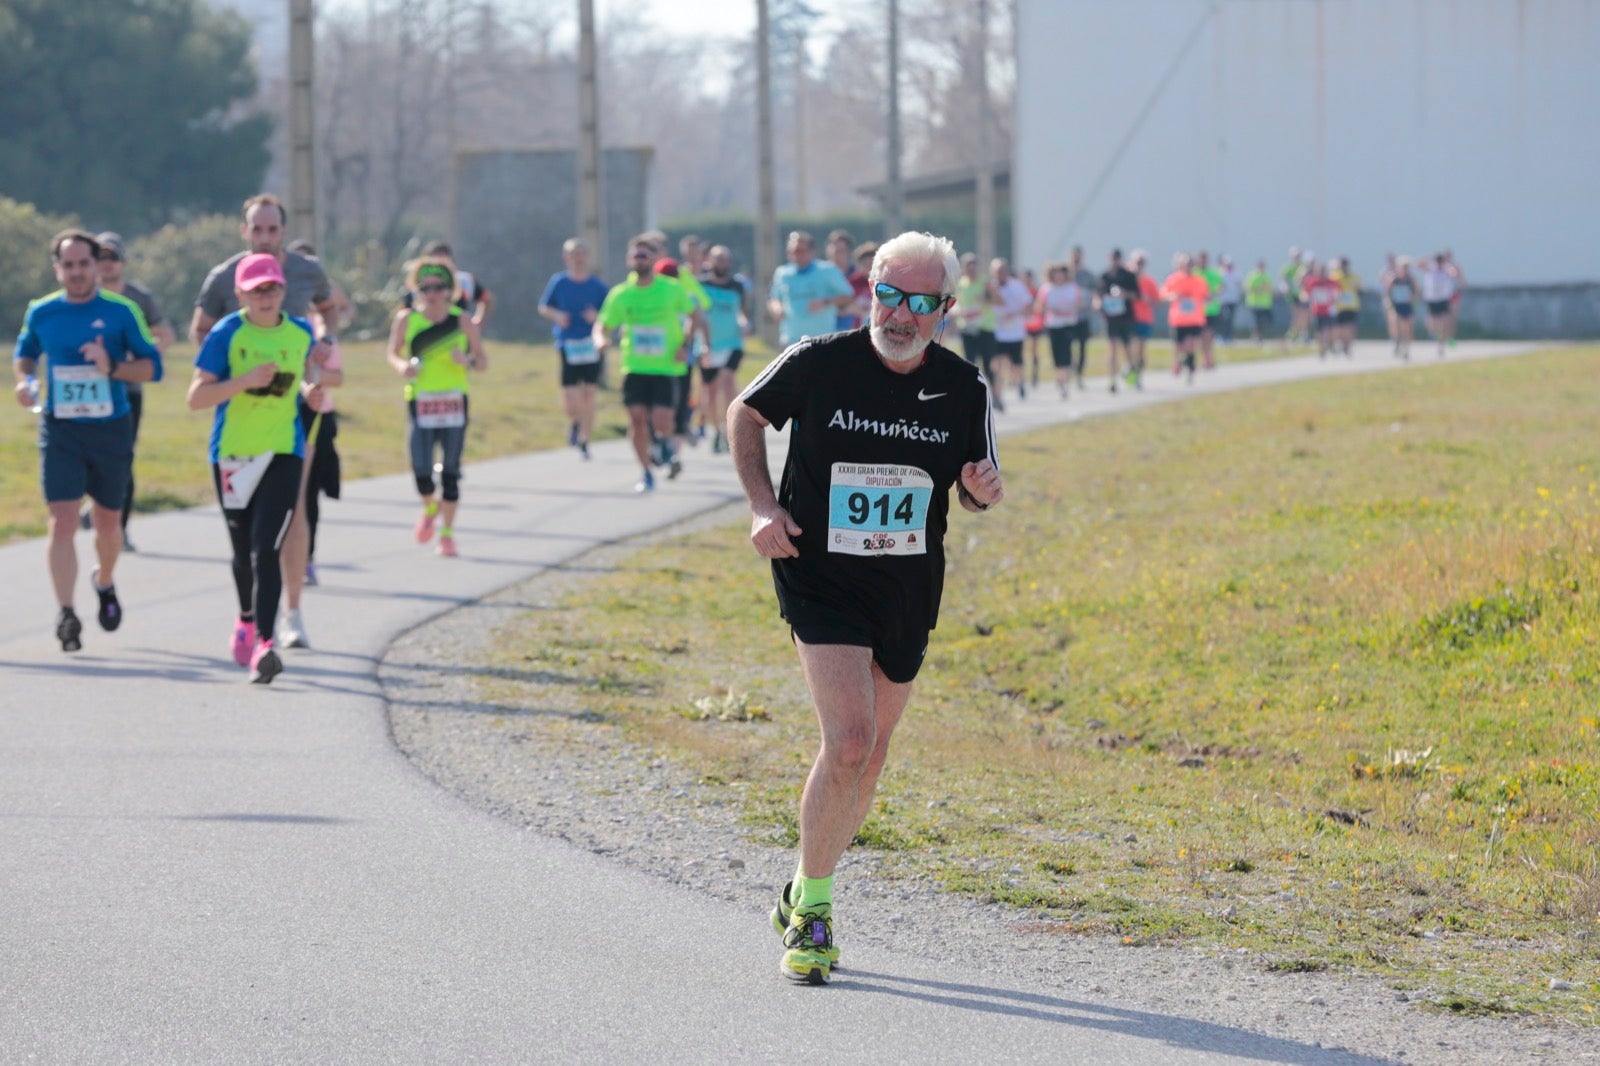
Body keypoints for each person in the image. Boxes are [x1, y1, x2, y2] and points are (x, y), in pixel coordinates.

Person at [726, 230, 1003, 985]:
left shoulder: (965, 387)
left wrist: (980, 494)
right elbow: (745, 415)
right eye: (889, 294)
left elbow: (977, 484)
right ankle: (814, 911)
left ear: (945, 307)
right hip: (818, 574)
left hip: (907, 588)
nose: (901, 314)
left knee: (872, 757)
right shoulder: (817, 362)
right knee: (848, 740)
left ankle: (798, 884)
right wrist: (760, 506)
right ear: (868, 290)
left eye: (920, 302)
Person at [13, 230, 164, 652]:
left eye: (84, 264)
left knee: (107, 523)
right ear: (57, 269)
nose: (77, 272)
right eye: (69, 265)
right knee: (61, 519)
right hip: (61, 428)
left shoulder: (122, 311)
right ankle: (66, 612)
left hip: (110, 429)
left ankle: (104, 580)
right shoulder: (42, 312)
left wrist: (112, 365)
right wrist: (25, 381)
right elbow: (24, 353)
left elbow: (152, 368)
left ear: (97, 266)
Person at [186, 253, 317, 684]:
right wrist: (243, 381)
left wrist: (313, 392)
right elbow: (196, 398)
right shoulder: (227, 333)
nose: (266, 295)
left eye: (273, 287)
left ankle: (264, 644)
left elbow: (315, 376)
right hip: (233, 454)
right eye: (257, 288)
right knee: (242, 552)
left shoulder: (299, 332)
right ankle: (245, 618)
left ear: (283, 290)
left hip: (284, 450)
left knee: (266, 549)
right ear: (240, 292)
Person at [387, 256, 488, 555]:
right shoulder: (406, 319)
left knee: (451, 471)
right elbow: (391, 353)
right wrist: (402, 366)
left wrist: (467, 360)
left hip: (455, 401)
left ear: (449, 290)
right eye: (425, 288)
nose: (432, 294)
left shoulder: (462, 320)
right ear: (417, 291)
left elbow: (482, 361)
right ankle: (430, 507)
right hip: (421, 401)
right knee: (420, 469)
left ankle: (446, 534)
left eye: (438, 288)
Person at [276, 240, 346, 650]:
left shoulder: (314, 335)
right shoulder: (235, 329)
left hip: (315, 417)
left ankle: (305, 566)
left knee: (307, 496)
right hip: (254, 427)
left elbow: (335, 377)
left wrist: (312, 381)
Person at [88, 231, 176, 552]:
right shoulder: (83, 296)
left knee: (122, 458)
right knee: (87, 455)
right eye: (101, 258)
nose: (106, 264)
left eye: (112, 258)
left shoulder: (138, 297)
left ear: (123, 262)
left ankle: (119, 528)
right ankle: (95, 506)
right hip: (89, 390)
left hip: (128, 390)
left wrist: (140, 354)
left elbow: (165, 334)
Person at [594, 235, 703, 492]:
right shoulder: (621, 294)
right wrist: (600, 339)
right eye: (636, 256)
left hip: (666, 367)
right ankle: (646, 472)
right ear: (628, 260)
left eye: (645, 256)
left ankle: (662, 443)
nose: (640, 260)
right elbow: (603, 324)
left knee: (662, 419)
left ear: (653, 259)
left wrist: (685, 346)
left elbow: (694, 315)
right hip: (634, 365)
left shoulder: (671, 288)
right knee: (636, 421)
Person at [192, 194, 339, 353]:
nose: (265, 238)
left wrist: (326, 338)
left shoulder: (308, 270)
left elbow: (328, 308)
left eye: (272, 229)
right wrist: (222, 366)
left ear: (284, 231)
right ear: (244, 231)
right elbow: (201, 329)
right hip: (242, 373)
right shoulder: (223, 276)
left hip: (293, 370)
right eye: (257, 229)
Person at [538, 237, 610, 460]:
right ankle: (575, 421)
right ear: (566, 258)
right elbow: (544, 307)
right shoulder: (559, 282)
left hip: (591, 345)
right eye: (573, 255)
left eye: (581, 254)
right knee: (570, 400)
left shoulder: (597, 286)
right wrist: (558, 316)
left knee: (589, 395)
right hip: (567, 345)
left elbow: (611, 315)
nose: (578, 259)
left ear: (587, 257)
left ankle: (585, 440)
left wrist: (596, 317)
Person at [697, 244, 751, 454]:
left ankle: (731, 429)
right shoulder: (701, 285)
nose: (722, 263)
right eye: (718, 259)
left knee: (728, 382)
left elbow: (742, 311)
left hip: (733, 343)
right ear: (708, 261)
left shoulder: (737, 285)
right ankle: (717, 430)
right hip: (708, 345)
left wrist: (745, 323)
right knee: (710, 392)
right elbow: (695, 313)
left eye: (725, 259)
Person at [768, 230, 853, 349]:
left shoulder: (827, 270)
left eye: (800, 251)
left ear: (812, 251)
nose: (796, 255)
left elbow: (849, 296)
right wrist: (776, 308)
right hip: (790, 340)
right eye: (792, 251)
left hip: (821, 340)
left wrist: (825, 302)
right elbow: (774, 299)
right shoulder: (782, 273)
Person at [403, 240, 495, 329]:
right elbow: (405, 314)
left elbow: (486, 299)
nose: (438, 265)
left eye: (439, 288)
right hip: (424, 337)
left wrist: (478, 320)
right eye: (426, 288)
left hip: (458, 334)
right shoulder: (415, 285)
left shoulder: (465, 280)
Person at [952, 253, 997, 406]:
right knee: (970, 364)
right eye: (968, 268)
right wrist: (957, 311)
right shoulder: (960, 284)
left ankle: (996, 396)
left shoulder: (985, 282)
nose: (971, 271)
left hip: (985, 328)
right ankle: (971, 398)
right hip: (967, 328)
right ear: (963, 269)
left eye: (973, 267)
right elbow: (954, 304)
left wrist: (985, 300)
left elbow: (999, 300)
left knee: (987, 364)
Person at [1034, 262, 1084, 398]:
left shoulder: (1072, 287)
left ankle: (1065, 383)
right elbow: (1038, 307)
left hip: (1068, 323)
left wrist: (1069, 308)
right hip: (1053, 324)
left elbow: (1080, 304)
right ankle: (1061, 380)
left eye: (1061, 274)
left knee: (1066, 353)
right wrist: (1051, 309)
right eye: (1056, 274)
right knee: (1056, 355)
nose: (1059, 276)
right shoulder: (1046, 289)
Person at [1161, 252, 1209, 384]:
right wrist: (1173, 296)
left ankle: (1190, 368)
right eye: (1185, 264)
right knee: (1178, 345)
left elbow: (1205, 296)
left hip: (1194, 319)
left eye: (1190, 264)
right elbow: (1163, 294)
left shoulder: (1199, 281)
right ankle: (1178, 363)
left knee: (1190, 343)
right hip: (1178, 319)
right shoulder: (1173, 279)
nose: (1188, 267)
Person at [988, 257, 1032, 403]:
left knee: (1015, 365)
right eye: (996, 271)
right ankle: (997, 395)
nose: (999, 274)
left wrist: (1015, 314)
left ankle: (1019, 383)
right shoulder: (990, 287)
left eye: (1001, 271)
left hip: (1015, 333)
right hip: (997, 333)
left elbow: (1029, 307)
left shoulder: (1017, 286)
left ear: (1007, 271)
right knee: (998, 364)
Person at [1096, 248, 1139, 392]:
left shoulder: (1128, 275)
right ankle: (1112, 379)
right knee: (1112, 348)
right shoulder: (1104, 275)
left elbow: (1137, 295)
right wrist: (1097, 302)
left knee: (1127, 348)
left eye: (1117, 258)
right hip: (1110, 317)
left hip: (1125, 317)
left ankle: (1133, 376)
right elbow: (1098, 294)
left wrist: (1125, 294)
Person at [827, 229, 871, 332]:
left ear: (848, 252)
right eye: (833, 249)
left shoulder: (857, 277)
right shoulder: (820, 275)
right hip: (826, 328)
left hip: (851, 329)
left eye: (840, 250)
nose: (835, 254)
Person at [1128, 249, 1159, 386]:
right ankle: (1130, 369)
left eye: (1142, 262)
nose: (1139, 264)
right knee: (1129, 348)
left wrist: (1147, 299)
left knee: (1140, 349)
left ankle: (1138, 375)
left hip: (1144, 318)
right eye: (1137, 261)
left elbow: (1157, 301)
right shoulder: (1127, 279)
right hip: (1128, 318)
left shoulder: (1149, 281)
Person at [1302, 260, 1342, 358]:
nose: (1321, 273)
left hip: (1329, 310)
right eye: (1319, 271)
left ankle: (1331, 344)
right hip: (1317, 310)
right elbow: (1305, 293)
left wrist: (1336, 298)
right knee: (1319, 330)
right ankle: (1321, 349)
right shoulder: (1312, 282)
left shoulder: (1331, 282)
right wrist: (1305, 298)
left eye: (1323, 271)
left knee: (1330, 329)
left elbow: (1338, 293)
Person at [1419, 255, 1457, 357]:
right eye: (1438, 262)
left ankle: (1441, 344)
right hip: (1432, 299)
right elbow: (1419, 264)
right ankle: (1434, 334)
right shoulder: (1431, 268)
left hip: (1443, 299)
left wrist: (1448, 263)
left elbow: (1454, 273)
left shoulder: (1446, 269)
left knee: (1444, 321)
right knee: (1433, 322)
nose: (1439, 264)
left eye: (1441, 262)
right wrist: (1430, 259)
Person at [1384, 256, 1418, 360]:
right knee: (1395, 324)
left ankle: (1406, 349)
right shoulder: (1393, 278)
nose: (1405, 269)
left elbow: (1416, 291)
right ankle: (1397, 342)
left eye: (1407, 267)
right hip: (1396, 304)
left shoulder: (1410, 279)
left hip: (1406, 305)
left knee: (1408, 327)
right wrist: (1389, 303)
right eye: (1403, 267)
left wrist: (1412, 300)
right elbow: (1387, 291)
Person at [1195, 250, 1223, 369]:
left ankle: (1208, 358)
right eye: (1201, 259)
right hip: (1198, 310)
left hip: (1212, 309)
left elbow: (1221, 286)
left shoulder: (1213, 273)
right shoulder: (1194, 273)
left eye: (1205, 259)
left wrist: (1214, 293)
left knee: (1209, 335)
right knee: (1202, 337)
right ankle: (1205, 359)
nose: (1203, 261)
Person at [1279, 247, 1309, 348]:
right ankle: (1294, 333)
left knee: (1303, 315)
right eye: (1295, 256)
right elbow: (1282, 280)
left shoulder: (1304, 266)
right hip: (1293, 295)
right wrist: (1285, 287)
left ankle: (1301, 333)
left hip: (1303, 294)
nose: (1296, 258)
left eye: (1298, 256)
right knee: (1296, 314)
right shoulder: (1288, 267)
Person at [1332, 256, 1361, 356]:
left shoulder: (1355, 277)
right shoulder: (1335, 276)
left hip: (1352, 306)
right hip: (1339, 306)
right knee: (1339, 328)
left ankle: (1348, 346)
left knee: (1350, 327)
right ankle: (1341, 344)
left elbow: (1359, 290)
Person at [1243, 258, 1275, 343]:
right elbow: (1248, 288)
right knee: (1255, 322)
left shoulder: (1267, 276)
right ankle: (1256, 336)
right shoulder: (1252, 276)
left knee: (1266, 321)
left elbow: (1270, 288)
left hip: (1265, 303)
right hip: (1254, 303)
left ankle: (1258, 335)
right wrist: (1260, 290)